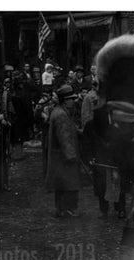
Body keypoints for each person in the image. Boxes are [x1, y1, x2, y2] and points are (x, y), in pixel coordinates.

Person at [44, 85, 81, 218]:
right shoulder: (61, 115)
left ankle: (60, 209)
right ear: (65, 100)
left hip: (58, 156)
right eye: (71, 99)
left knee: (60, 185)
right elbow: (64, 137)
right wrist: (71, 155)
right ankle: (68, 209)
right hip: (64, 157)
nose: (73, 101)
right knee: (69, 184)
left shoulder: (58, 111)